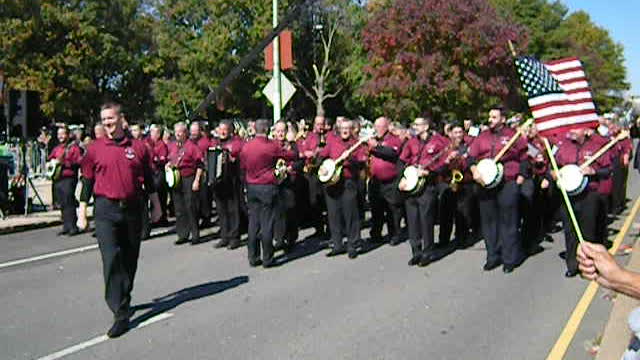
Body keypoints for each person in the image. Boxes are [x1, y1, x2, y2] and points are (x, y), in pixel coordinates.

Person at [79, 102, 161, 338]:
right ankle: (120, 312)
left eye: (111, 118)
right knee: (111, 258)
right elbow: (86, 180)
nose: (107, 123)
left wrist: (155, 206)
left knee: (129, 258)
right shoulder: (94, 149)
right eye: (104, 120)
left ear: (121, 119)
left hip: (133, 208)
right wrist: (82, 211)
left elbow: (148, 179)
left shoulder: (138, 147)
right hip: (105, 209)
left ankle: (124, 296)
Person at [469, 106, 528, 274]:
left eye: (494, 117)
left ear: (503, 119)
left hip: (507, 183)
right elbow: (471, 158)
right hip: (485, 185)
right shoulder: (481, 137)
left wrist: (519, 180)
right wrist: (475, 172)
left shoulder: (513, 136)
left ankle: (509, 259)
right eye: (490, 117)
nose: (490, 120)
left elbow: (524, 159)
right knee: (489, 222)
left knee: (508, 222)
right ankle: (492, 256)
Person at [554, 127, 611, 277]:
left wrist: (594, 172)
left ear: (585, 130)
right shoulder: (563, 147)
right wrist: (554, 173)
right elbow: (552, 167)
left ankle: (591, 265)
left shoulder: (596, 147)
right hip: (568, 195)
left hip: (589, 194)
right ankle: (573, 265)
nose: (571, 131)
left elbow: (607, 170)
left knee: (588, 231)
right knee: (570, 230)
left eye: (575, 128)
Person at [239, 119, 295, 268]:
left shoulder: (246, 146)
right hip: (267, 186)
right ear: (267, 130)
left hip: (251, 186)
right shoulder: (271, 146)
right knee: (267, 223)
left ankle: (253, 256)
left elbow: (243, 165)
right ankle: (267, 258)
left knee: (253, 222)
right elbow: (289, 155)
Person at [399, 117, 449, 266]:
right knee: (412, 220)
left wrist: (429, 173)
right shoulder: (411, 142)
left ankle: (428, 252)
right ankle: (416, 251)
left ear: (426, 126)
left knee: (426, 220)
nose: (415, 127)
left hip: (428, 186)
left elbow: (443, 164)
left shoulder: (438, 141)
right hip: (411, 186)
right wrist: (403, 178)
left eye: (418, 124)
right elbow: (402, 160)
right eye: (414, 124)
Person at [318, 119, 368, 259]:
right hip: (332, 184)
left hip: (348, 182)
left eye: (348, 128)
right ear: (338, 129)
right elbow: (322, 156)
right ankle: (337, 244)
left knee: (350, 214)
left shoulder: (357, 144)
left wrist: (350, 158)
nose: (345, 130)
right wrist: (323, 166)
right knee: (334, 215)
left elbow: (361, 163)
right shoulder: (332, 142)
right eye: (342, 128)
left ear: (352, 129)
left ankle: (353, 245)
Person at [367, 116, 404, 245]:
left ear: (387, 127)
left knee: (392, 210)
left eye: (379, 127)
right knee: (376, 209)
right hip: (375, 181)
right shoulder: (372, 140)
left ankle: (394, 234)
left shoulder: (393, 140)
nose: (376, 129)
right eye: (375, 126)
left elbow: (392, 153)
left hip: (390, 181)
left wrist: (376, 147)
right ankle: (375, 234)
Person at [167, 122, 204, 245]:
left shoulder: (192, 147)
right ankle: (182, 234)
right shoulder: (173, 146)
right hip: (177, 178)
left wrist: (197, 180)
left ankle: (195, 234)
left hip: (189, 177)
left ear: (185, 133)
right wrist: (168, 166)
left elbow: (200, 164)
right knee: (179, 208)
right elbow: (170, 159)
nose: (177, 134)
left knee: (190, 207)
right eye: (176, 131)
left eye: (180, 131)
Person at [209, 120, 244, 249]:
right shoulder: (214, 143)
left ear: (230, 130)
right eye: (220, 129)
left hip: (232, 180)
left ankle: (234, 237)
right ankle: (224, 236)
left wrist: (232, 158)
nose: (222, 132)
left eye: (225, 129)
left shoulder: (236, 142)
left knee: (233, 209)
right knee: (221, 209)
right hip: (218, 183)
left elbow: (240, 154)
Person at [48, 126, 83, 236]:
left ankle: (73, 226)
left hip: (69, 177)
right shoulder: (57, 148)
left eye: (63, 134)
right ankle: (66, 226)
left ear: (68, 135)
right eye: (59, 134)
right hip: (58, 178)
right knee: (62, 202)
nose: (61, 136)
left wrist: (65, 162)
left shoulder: (73, 148)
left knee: (69, 201)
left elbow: (78, 161)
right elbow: (50, 159)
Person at [272, 121, 301, 252]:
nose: (280, 133)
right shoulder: (271, 145)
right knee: (277, 212)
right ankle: (279, 238)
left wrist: (291, 168)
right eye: (278, 131)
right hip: (275, 183)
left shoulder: (293, 145)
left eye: (282, 131)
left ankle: (291, 237)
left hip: (290, 182)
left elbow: (300, 162)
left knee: (290, 210)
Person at [297, 115, 328, 237]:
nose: (320, 127)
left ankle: (324, 229)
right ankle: (318, 227)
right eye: (318, 124)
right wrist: (306, 153)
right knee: (313, 201)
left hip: (320, 172)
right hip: (308, 172)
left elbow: (315, 153)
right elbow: (303, 151)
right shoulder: (307, 137)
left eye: (322, 124)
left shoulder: (323, 137)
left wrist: (312, 153)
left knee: (319, 201)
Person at [189, 121, 212, 228]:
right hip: (192, 172)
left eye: (195, 131)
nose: (193, 133)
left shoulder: (204, 142)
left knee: (204, 197)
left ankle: (206, 218)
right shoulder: (189, 142)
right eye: (192, 131)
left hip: (203, 171)